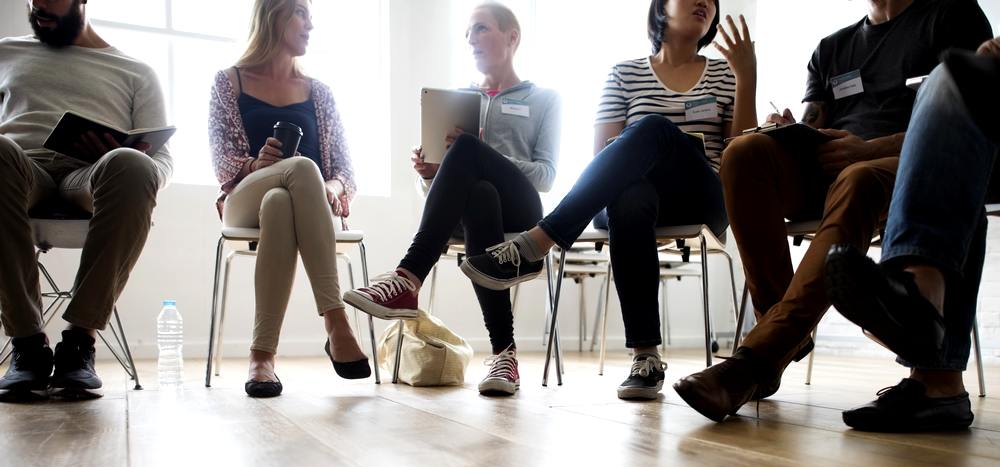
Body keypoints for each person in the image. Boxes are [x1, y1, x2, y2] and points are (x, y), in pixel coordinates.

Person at [671, 0, 992, 422]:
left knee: (857, 177)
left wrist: (868, 149)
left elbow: (966, 116)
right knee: (743, 152)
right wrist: (790, 130)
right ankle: (783, 329)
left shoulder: (950, 16)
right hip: (832, 167)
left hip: (906, 164)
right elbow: (813, 120)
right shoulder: (831, 48)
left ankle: (759, 356)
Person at [460, 0, 756, 400]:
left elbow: (742, 154)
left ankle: (540, 241)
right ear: (661, 7)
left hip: (702, 196)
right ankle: (645, 358)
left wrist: (746, 76)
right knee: (629, 195)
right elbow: (604, 156)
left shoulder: (724, 73)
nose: (704, 1)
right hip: (634, 197)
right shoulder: (625, 74)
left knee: (654, 128)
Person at [344, 2, 560, 397]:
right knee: (479, 193)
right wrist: (431, 173)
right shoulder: (457, 99)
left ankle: (408, 277)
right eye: (467, 33)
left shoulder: (544, 99)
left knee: (469, 153)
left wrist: (483, 154)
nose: (471, 39)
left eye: (481, 29)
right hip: (470, 213)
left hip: (523, 212)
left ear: (512, 36)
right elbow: (440, 192)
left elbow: (546, 175)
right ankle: (505, 355)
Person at [823, 38, 1000, 432]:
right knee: (950, 78)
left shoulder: (946, 15)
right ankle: (936, 372)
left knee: (956, 84)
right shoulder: (831, 48)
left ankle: (919, 304)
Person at [0, 0, 173, 401]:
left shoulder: (136, 72)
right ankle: (27, 345)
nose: (38, 5)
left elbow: (162, 161)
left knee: (133, 164)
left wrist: (126, 156)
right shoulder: (6, 52)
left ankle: (79, 342)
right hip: (21, 172)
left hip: (90, 179)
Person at [209, 0, 370, 398]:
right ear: (272, 14)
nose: (310, 24)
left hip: (306, 204)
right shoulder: (229, 82)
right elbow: (222, 159)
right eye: (301, 12)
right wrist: (254, 164)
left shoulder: (320, 93)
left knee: (280, 203)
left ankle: (261, 357)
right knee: (300, 168)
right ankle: (335, 320)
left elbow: (346, 172)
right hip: (244, 199)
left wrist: (333, 188)